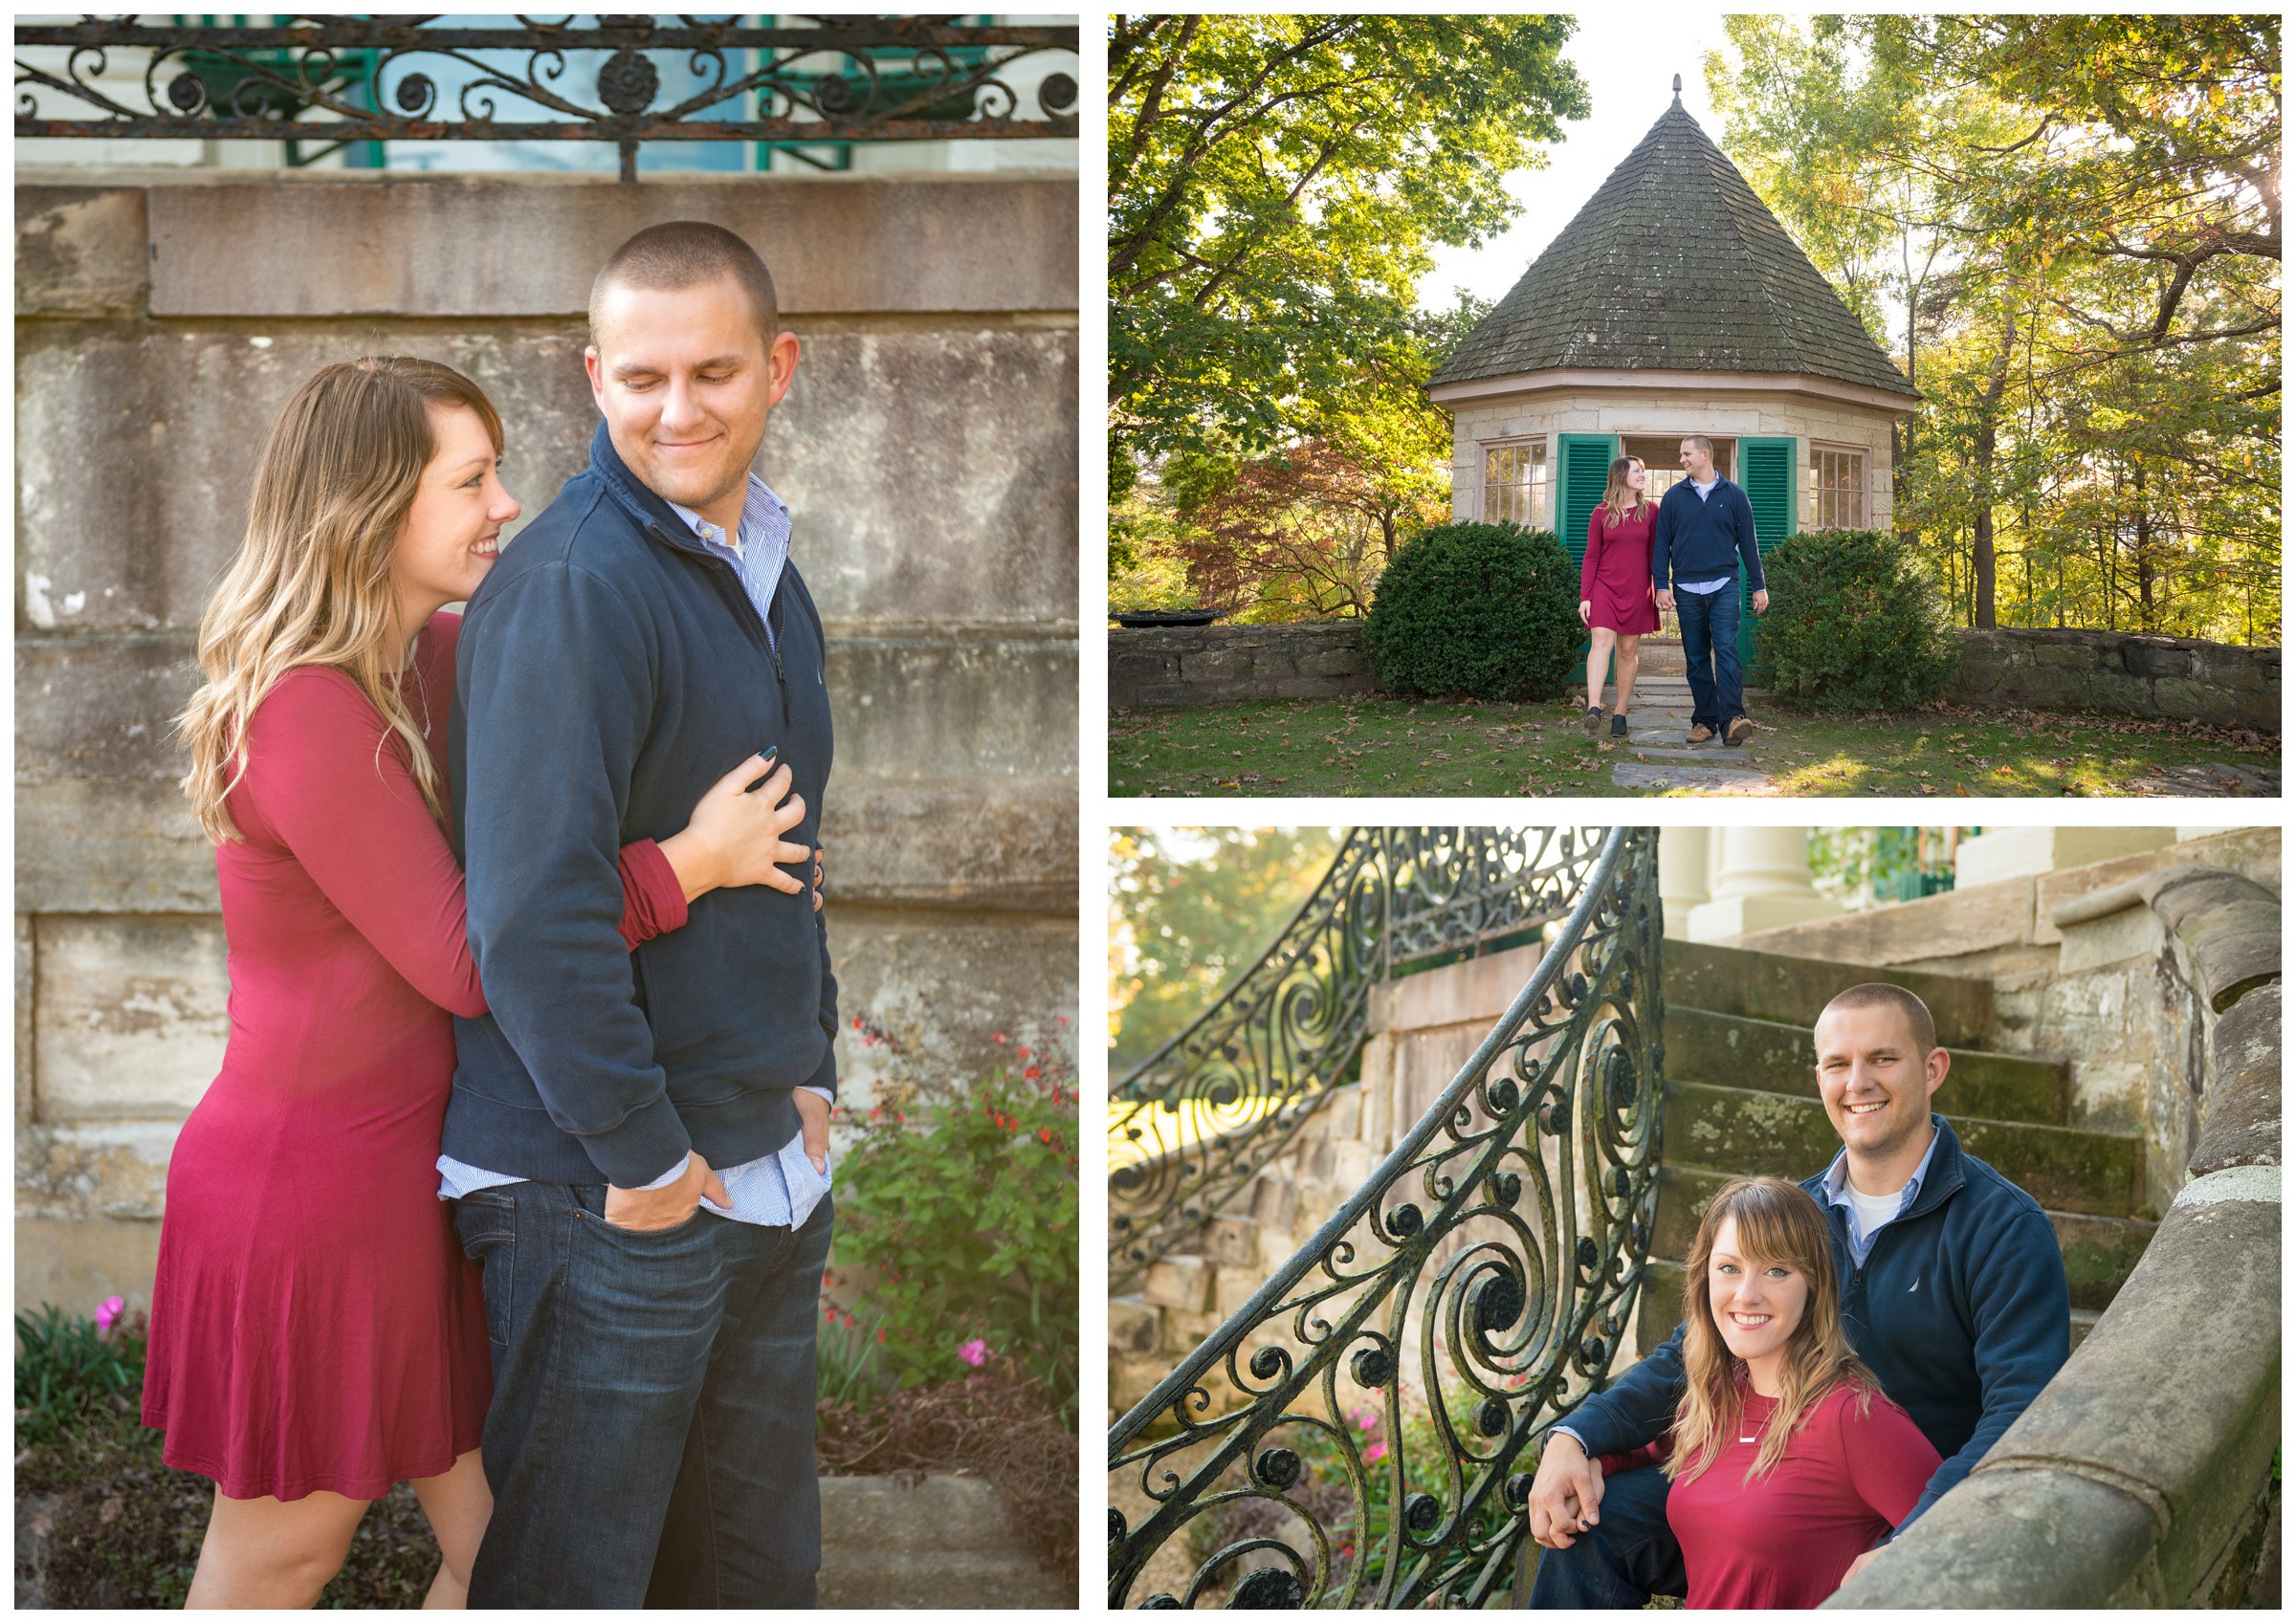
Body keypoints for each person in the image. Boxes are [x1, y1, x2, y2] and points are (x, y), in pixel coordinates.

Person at [148, 356, 815, 1609]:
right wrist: (687, 865)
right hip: (317, 1199)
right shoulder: (304, 708)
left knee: (516, 1552)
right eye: (471, 480)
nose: (505, 503)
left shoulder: (444, 656)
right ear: (368, 508)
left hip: (434, 1182)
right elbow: (470, 957)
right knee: (284, 1557)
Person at [443, 221, 840, 1608]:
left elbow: (794, 845)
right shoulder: (573, 585)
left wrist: (810, 1070)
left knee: (744, 1580)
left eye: (716, 372)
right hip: (605, 1190)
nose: (679, 409)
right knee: (573, 1586)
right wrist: (647, 1157)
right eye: (644, 377)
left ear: (779, 367)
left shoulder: (764, 572)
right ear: (593, 373)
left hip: (759, 1168)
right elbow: (531, 920)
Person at [1525, 981, 2071, 1607]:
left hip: (1903, 1507)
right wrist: (1576, 1437)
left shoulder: (2002, 1228)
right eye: (1838, 1064)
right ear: (1819, 1078)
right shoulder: (1796, 1214)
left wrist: (1918, 1535)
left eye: (1883, 1059)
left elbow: (2021, 1411)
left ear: (1933, 1068)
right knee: (1595, 1519)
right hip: (1767, 1475)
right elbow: (1693, 1352)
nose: (1857, 1082)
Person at [1585, 1177, 1942, 1608]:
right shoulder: (1717, 1395)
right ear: (1704, 1279)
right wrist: (1585, 1456)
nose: (1747, 1294)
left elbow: (1957, 1535)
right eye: (1729, 1268)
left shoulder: (1852, 1416)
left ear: (1813, 1287)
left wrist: (1901, 1551)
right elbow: (1653, 1448)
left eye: (1776, 1270)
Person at [1650, 435, 1765, 748]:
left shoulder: (1736, 496)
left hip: (1724, 584)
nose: (1682, 460)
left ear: (1704, 455)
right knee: (1697, 657)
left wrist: (1759, 586)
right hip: (1686, 589)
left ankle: (1733, 720)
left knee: (1726, 650)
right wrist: (1661, 584)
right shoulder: (1673, 497)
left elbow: (1749, 546)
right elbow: (1662, 545)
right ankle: (1704, 721)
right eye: (1680, 455)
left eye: (1686, 454)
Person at [1579, 454, 1662, 737]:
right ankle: (1593, 708)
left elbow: (1656, 554)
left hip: (1638, 589)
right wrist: (1585, 596)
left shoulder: (1652, 511)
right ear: (1621, 476)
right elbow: (1591, 555)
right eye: (1637, 471)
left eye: (1643, 470)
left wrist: (1660, 587)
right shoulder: (1600, 512)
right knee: (1601, 641)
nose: (1642, 475)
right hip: (1604, 586)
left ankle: (1620, 714)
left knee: (1627, 651)